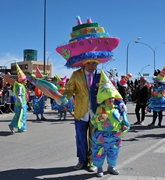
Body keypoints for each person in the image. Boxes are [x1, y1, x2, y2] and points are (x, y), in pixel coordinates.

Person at [56, 16, 122, 172]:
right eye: (89, 63)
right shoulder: (76, 76)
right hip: (80, 112)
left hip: (98, 113)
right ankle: (82, 160)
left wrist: (120, 103)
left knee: (95, 139)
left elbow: (111, 92)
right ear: (83, 62)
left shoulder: (101, 76)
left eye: (94, 63)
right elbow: (70, 89)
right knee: (80, 138)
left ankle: (92, 162)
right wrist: (63, 97)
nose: (92, 66)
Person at [91, 70, 130, 177]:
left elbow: (124, 123)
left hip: (114, 136)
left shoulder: (117, 109)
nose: (111, 99)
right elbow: (93, 121)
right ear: (104, 99)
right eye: (109, 98)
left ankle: (111, 167)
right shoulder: (100, 109)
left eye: (112, 97)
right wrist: (99, 118)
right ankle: (99, 168)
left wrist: (124, 127)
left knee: (114, 153)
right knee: (99, 153)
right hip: (101, 136)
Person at [2, 63, 29, 134]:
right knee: (18, 116)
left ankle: (21, 127)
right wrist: (20, 103)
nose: (26, 81)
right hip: (20, 104)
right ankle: (12, 125)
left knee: (22, 116)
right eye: (25, 80)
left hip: (23, 103)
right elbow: (19, 95)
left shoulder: (22, 86)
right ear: (22, 80)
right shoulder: (20, 86)